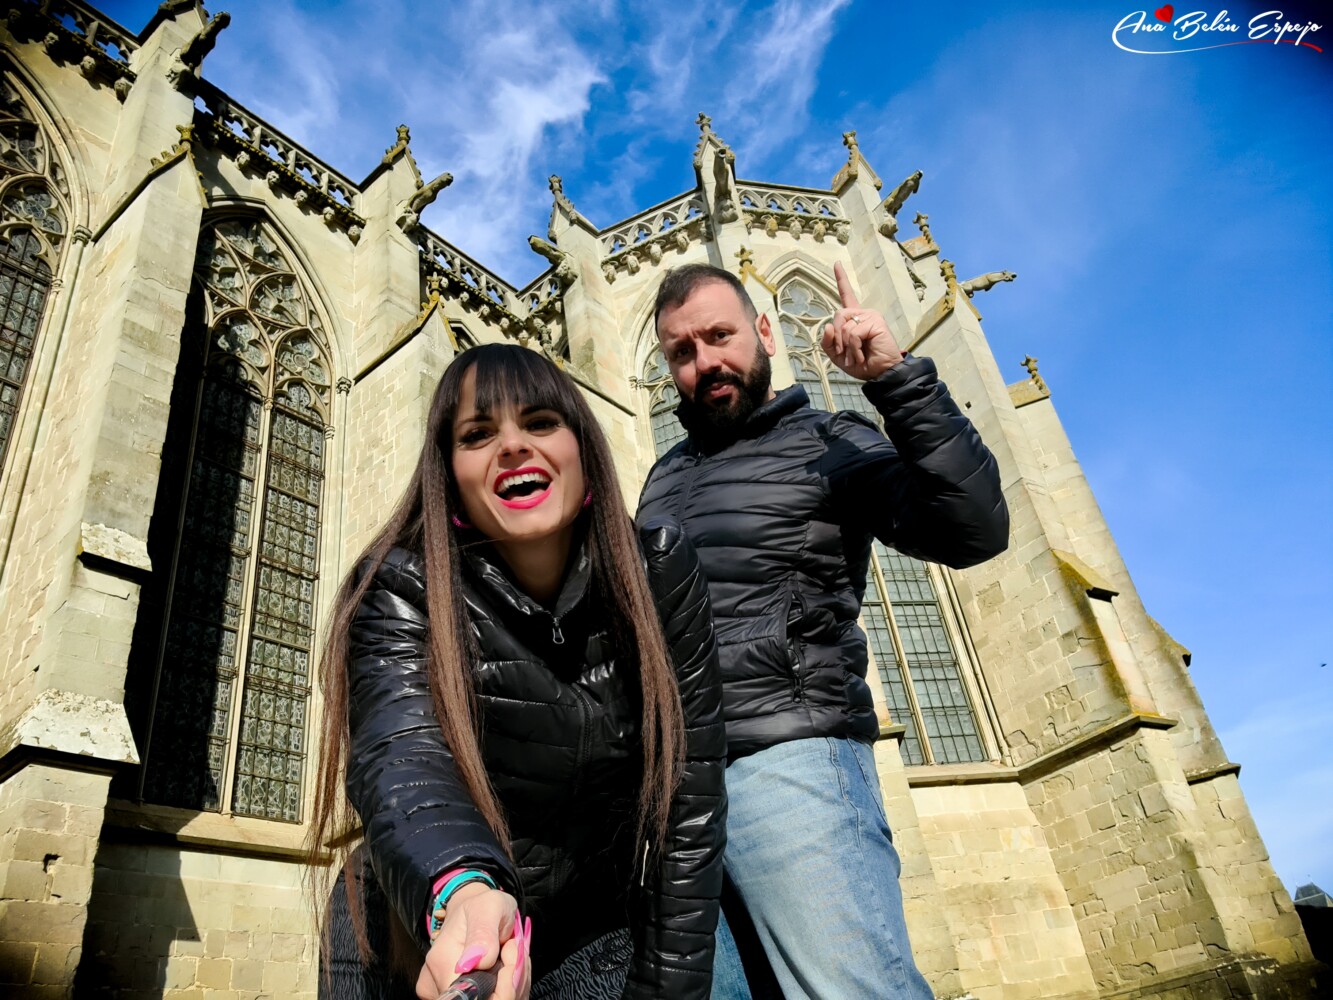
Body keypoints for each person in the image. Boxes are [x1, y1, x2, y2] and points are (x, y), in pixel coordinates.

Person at [637, 262, 1010, 1000]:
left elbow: (973, 529)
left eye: (719, 335)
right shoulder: (662, 477)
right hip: (678, 791)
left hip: (792, 763)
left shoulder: (829, 437)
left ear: (765, 333)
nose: (705, 359)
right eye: (681, 350)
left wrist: (898, 380)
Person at [311, 343, 727, 1000]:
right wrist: (462, 890)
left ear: (582, 449)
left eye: (539, 422)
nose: (511, 445)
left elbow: (690, 806)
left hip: (594, 933)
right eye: (477, 434)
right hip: (411, 922)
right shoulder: (399, 585)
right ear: (448, 475)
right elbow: (400, 753)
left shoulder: (661, 574)